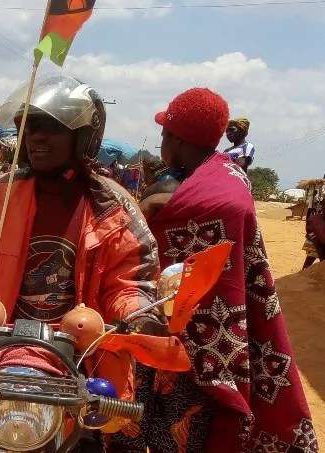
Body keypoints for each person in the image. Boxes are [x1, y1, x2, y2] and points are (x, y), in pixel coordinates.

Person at [0, 75, 161, 451]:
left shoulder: (113, 209)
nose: (36, 137)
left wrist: (139, 315)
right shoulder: (1, 196)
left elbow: (130, 281)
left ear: (83, 136)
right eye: (31, 127)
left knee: (102, 439)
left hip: (77, 365)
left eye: (51, 128)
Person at [115, 88, 316, 452]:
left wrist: (150, 210)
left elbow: (144, 254)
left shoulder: (198, 198)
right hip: (200, 342)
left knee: (160, 431)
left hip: (192, 351)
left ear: (177, 139)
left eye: (164, 135)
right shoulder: (228, 177)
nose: (162, 143)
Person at [303, 198, 325, 269]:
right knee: (310, 258)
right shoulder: (315, 218)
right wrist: (316, 239)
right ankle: (304, 271)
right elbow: (309, 230)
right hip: (314, 242)